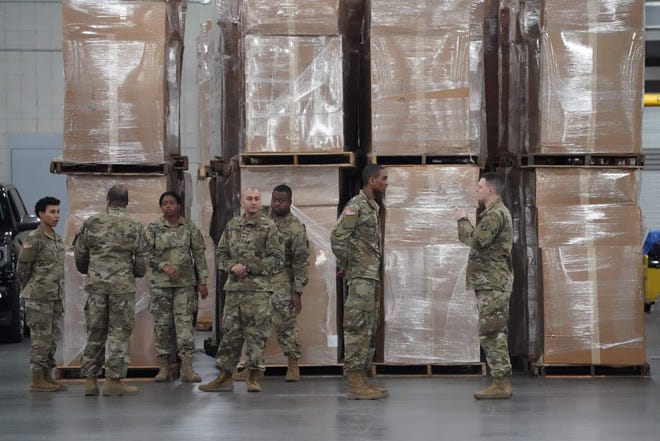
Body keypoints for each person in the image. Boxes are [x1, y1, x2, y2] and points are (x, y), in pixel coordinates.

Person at [198, 188, 284, 393]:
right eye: (249, 199)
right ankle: (225, 376)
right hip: (235, 290)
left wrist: (251, 268)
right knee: (231, 334)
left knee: (256, 334)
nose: (253, 202)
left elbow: (277, 258)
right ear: (242, 202)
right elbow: (221, 253)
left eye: (257, 199)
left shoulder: (268, 226)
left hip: (258, 291)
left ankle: (253, 375)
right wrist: (230, 266)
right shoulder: (233, 225)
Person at [73, 185, 148, 396]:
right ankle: (113, 380)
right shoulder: (135, 225)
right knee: (118, 332)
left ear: (108, 200)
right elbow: (141, 261)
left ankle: (90, 380)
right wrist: (134, 273)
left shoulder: (91, 222)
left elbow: (80, 255)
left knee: (95, 331)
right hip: (122, 288)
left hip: (96, 286)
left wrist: (92, 270)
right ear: (127, 202)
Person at [453, 172, 514, 400]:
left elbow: (476, 241)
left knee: (493, 332)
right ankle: (499, 380)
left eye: (479, 186)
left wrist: (462, 219)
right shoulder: (494, 213)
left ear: (490, 190)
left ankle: (501, 382)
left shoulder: (495, 215)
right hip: (491, 281)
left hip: (493, 282)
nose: (476, 190)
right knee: (492, 331)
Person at [330, 163, 389, 400]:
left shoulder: (372, 206)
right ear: (371, 180)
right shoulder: (356, 206)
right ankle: (354, 380)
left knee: (369, 325)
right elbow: (337, 237)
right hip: (361, 275)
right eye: (383, 178)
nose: (386, 182)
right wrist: (349, 263)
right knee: (357, 325)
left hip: (371, 275)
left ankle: (362, 377)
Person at [146, 191, 208, 383]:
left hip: (184, 285)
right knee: (163, 326)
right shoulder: (154, 228)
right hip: (161, 285)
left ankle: (187, 368)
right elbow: (145, 253)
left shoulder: (189, 227)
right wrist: (163, 265)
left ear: (179, 205)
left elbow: (198, 254)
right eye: (164, 203)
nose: (168, 206)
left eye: (172, 203)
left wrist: (203, 281)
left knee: (184, 326)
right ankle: (164, 368)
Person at [17, 196, 66, 392]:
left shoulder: (56, 238)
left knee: (52, 338)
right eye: (52, 212)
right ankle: (37, 379)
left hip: (54, 296)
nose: (56, 216)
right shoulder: (33, 239)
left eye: (58, 212)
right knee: (40, 338)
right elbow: (23, 268)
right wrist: (30, 289)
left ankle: (47, 375)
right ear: (40, 214)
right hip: (39, 297)